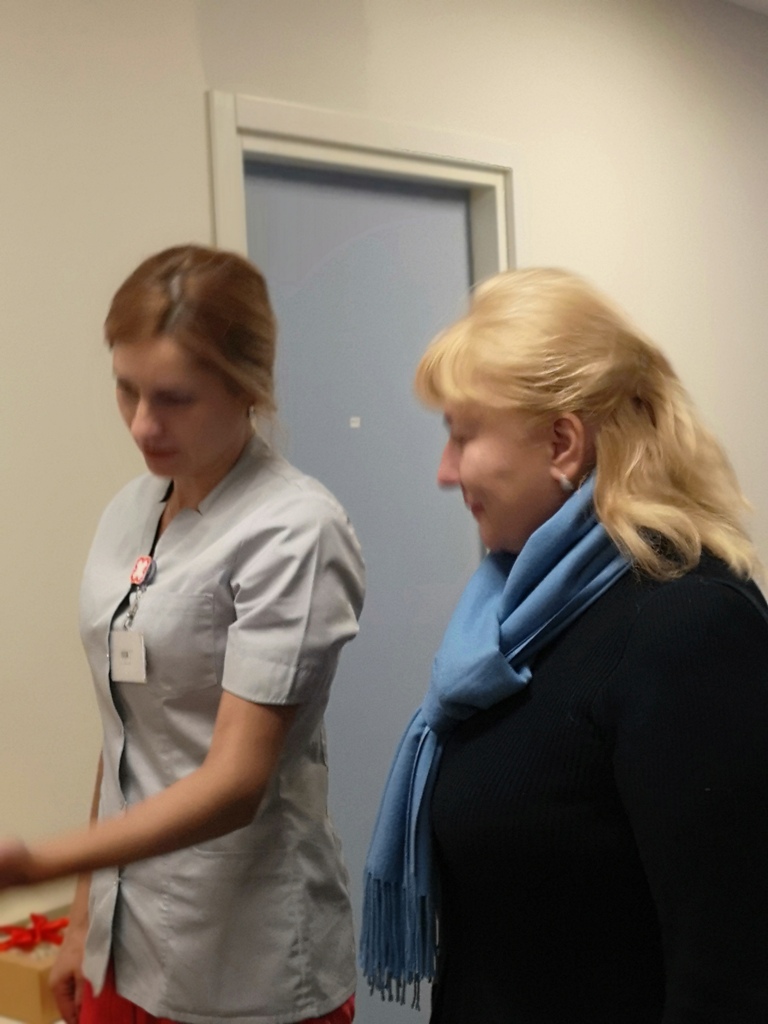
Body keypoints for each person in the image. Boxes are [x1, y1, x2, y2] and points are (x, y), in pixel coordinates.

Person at [361, 267, 768, 1023]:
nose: (444, 472)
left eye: (463, 435)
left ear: (562, 442)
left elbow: (730, 973)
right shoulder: (512, 617)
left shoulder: (688, 625)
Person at [0, 245, 364, 1024]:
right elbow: (124, 731)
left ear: (247, 388)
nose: (142, 423)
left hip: (243, 962)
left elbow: (236, 782)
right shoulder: (130, 510)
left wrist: (38, 862)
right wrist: (82, 918)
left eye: (173, 398)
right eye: (126, 389)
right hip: (121, 944)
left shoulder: (294, 530)